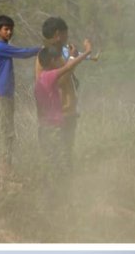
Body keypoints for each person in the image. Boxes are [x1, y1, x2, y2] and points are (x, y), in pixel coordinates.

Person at [0, 15, 41, 173]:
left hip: (5, 95)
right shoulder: (0, 47)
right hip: (0, 96)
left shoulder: (3, 47)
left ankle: (5, 167)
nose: (9, 32)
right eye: (6, 29)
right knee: (7, 133)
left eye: (11, 29)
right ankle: (4, 169)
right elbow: (23, 53)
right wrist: (41, 49)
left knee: (8, 132)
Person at [34, 39, 93, 177]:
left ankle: (51, 189)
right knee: (61, 161)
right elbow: (68, 68)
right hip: (54, 128)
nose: (60, 61)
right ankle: (61, 190)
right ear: (52, 62)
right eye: (58, 59)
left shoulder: (39, 81)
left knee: (49, 161)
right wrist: (86, 52)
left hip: (43, 128)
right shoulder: (49, 76)